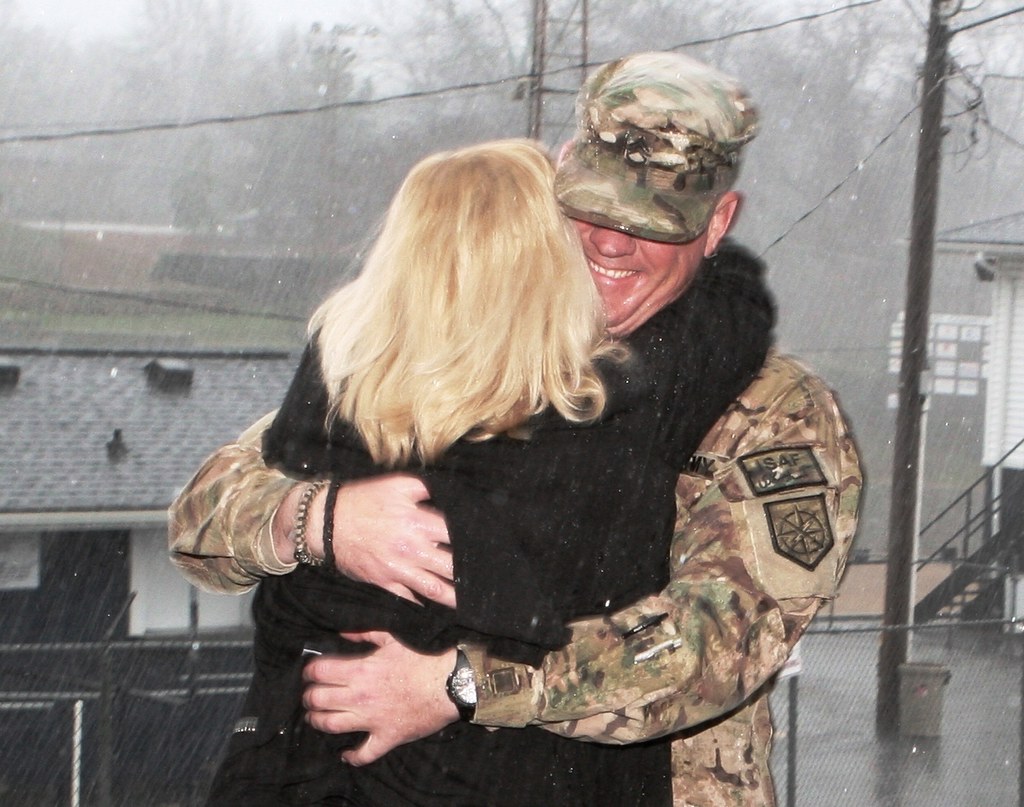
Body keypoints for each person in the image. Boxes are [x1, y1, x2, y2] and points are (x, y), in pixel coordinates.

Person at [170, 52, 862, 806]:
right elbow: (206, 514)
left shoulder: (773, 408)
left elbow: (718, 646)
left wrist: (463, 683)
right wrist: (318, 517)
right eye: (593, 207)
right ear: (561, 174)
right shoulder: (473, 348)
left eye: (653, 223)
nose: (611, 243)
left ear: (717, 223)